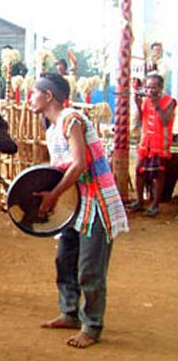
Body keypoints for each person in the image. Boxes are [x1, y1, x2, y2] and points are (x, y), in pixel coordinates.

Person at [30, 72, 129, 349]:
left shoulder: (71, 118)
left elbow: (79, 164)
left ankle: (92, 326)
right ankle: (70, 313)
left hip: (97, 202)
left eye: (34, 92)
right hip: (74, 205)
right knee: (64, 261)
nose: (30, 98)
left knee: (89, 269)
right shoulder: (52, 129)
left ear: (49, 95)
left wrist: (53, 196)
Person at [131, 74, 176, 216]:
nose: (150, 91)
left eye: (153, 88)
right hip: (146, 142)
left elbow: (165, 121)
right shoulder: (146, 101)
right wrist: (138, 104)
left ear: (160, 88)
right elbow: (141, 118)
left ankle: (155, 205)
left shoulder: (170, 101)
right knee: (139, 170)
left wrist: (156, 104)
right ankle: (139, 201)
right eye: (147, 88)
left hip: (160, 143)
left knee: (158, 174)